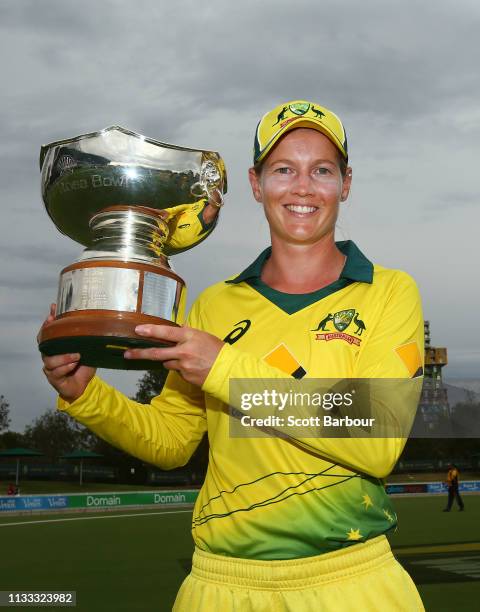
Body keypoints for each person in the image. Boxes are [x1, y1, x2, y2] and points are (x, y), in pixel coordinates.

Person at [40, 100, 425, 611]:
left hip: (351, 582)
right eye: (284, 169)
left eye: (322, 171)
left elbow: (375, 435)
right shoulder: (214, 305)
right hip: (222, 586)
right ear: (255, 184)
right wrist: (86, 395)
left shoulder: (389, 292)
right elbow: (173, 441)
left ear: (345, 184)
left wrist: (224, 367)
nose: (303, 187)